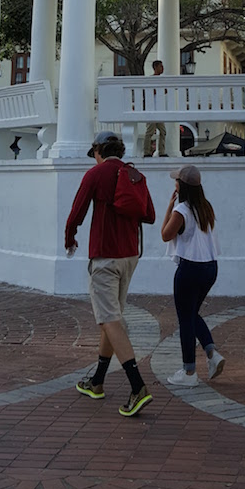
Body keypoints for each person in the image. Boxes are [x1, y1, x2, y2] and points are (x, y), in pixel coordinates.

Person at [64, 132, 155, 417]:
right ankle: (97, 382)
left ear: (98, 151)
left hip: (105, 255)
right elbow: (149, 215)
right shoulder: (134, 174)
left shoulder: (96, 174)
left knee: (110, 321)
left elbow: (76, 212)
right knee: (110, 318)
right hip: (130, 255)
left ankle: (138, 386)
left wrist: (70, 237)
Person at [161, 163, 224, 386]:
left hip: (190, 268)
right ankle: (212, 354)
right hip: (210, 267)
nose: (174, 184)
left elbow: (165, 235)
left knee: (186, 319)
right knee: (191, 314)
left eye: (176, 181)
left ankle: (189, 373)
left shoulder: (182, 210)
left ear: (182, 186)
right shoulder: (205, 207)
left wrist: (169, 207)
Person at [144, 59, 167, 158]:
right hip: (151, 109)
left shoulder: (161, 80)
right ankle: (147, 151)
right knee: (149, 131)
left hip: (159, 109)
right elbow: (149, 92)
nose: (162, 68)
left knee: (163, 131)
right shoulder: (150, 79)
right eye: (160, 66)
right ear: (155, 67)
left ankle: (161, 151)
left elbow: (165, 91)